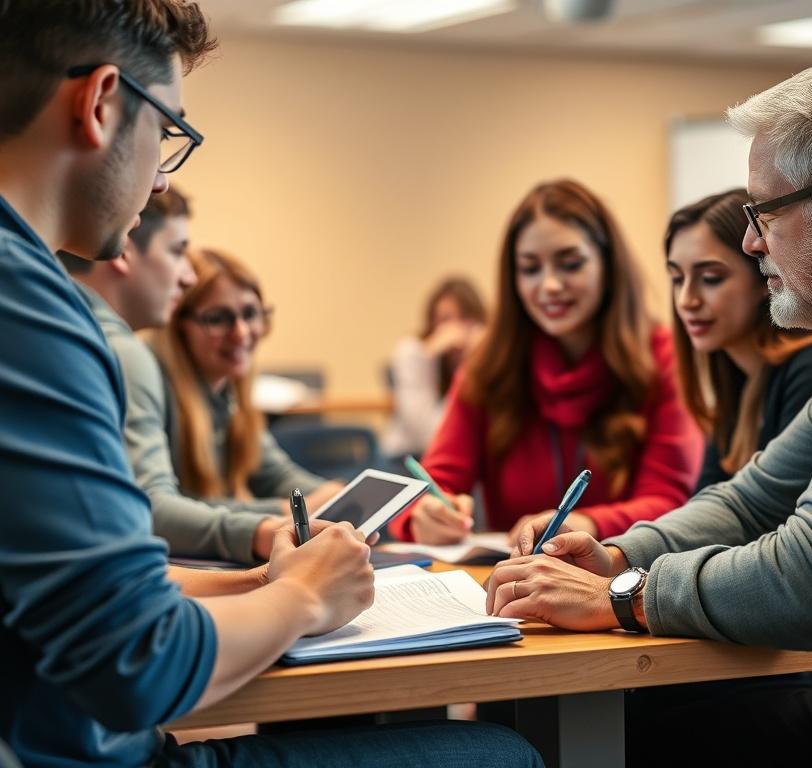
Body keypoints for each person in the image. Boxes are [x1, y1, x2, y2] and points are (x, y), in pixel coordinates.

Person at [0, 3, 542, 767]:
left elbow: (78, 586)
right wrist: (302, 597)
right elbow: (136, 665)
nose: (162, 176)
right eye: (169, 132)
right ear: (101, 103)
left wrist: (259, 581)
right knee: (498, 753)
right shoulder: (32, 311)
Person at [488, 60, 812, 768]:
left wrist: (624, 595)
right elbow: (755, 501)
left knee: (636, 737)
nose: (752, 242)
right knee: (649, 729)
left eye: (764, 213)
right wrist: (619, 555)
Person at [389, 178, 704, 545]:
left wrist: (585, 524)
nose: (550, 285)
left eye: (570, 264)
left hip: (621, 572)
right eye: (530, 269)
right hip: (512, 575)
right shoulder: (490, 364)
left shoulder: (662, 357)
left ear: (608, 265)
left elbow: (669, 503)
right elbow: (432, 485)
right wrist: (425, 514)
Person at [61, 188, 288, 564]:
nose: (186, 277)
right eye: (177, 251)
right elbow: (148, 506)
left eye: (251, 314)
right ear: (125, 249)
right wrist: (268, 526)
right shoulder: (122, 352)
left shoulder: (67, 325)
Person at [149, 246, 346, 533]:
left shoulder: (228, 395)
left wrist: (334, 497)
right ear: (178, 325)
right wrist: (285, 511)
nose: (241, 333)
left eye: (250, 313)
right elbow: (170, 508)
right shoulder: (153, 384)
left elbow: (276, 476)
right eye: (218, 318)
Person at [665, 188, 812, 491]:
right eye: (677, 279)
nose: (686, 300)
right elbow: (705, 502)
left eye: (711, 278)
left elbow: (780, 507)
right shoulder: (733, 378)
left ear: (763, 277)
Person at [381, 276, 486, 458]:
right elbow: (429, 436)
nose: (454, 330)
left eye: (464, 318)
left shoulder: (486, 358)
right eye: (445, 320)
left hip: (466, 458)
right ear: (432, 322)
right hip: (409, 458)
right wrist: (429, 358)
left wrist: (480, 357)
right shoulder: (414, 352)